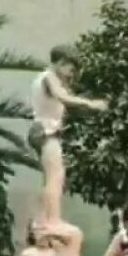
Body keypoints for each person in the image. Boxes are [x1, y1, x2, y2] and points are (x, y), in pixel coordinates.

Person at [29, 46, 107, 222]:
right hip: (46, 129)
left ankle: (42, 218)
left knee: (51, 177)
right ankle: (52, 220)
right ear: (61, 63)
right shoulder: (49, 77)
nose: (71, 75)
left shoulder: (47, 79)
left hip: (44, 129)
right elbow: (63, 97)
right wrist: (91, 104)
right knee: (55, 176)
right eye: (70, 69)